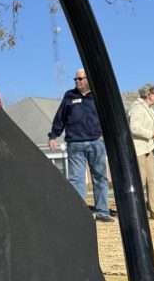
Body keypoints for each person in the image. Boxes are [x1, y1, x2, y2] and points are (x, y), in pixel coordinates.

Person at [48, 68, 112, 221]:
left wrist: (106, 135)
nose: (77, 81)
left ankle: (102, 212)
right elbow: (60, 117)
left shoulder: (98, 96)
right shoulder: (69, 96)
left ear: (88, 79)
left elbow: (108, 117)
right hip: (75, 144)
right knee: (76, 179)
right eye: (75, 79)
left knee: (100, 178)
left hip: (96, 143)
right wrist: (53, 135)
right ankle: (79, 214)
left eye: (80, 79)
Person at [129, 83, 154, 221]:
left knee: (152, 180)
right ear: (150, 95)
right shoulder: (137, 108)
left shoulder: (149, 109)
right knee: (141, 181)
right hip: (139, 148)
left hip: (148, 149)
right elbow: (134, 128)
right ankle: (138, 212)